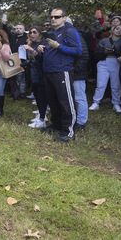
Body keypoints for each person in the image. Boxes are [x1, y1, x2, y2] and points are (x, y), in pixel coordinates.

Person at [38, 8, 82, 142]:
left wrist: (58, 46)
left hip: (62, 71)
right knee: (53, 101)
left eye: (57, 17)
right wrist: (41, 49)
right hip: (49, 71)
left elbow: (78, 51)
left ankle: (69, 131)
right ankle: (56, 125)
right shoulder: (51, 33)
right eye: (51, 17)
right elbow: (49, 51)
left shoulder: (70, 31)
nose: (53, 19)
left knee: (66, 102)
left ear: (64, 18)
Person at [89, 24, 121, 113]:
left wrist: (119, 55)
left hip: (116, 63)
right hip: (103, 62)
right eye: (117, 28)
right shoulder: (104, 40)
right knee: (101, 84)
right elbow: (96, 53)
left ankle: (116, 103)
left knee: (116, 85)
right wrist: (105, 51)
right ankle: (96, 102)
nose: (119, 30)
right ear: (112, 30)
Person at [24, 26, 47, 128]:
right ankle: (41, 116)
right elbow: (31, 59)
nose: (32, 34)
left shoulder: (43, 43)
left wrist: (31, 50)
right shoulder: (31, 43)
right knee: (37, 96)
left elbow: (42, 58)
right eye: (30, 32)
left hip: (42, 73)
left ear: (40, 34)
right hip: (33, 73)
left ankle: (42, 119)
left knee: (42, 96)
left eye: (34, 32)